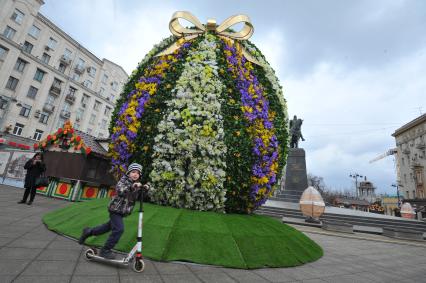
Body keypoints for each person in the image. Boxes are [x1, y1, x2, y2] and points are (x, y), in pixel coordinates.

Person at [78, 162, 146, 259]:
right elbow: (121, 191)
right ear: (128, 173)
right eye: (133, 172)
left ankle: (88, 231)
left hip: (122, 212)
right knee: (119, 229)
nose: (135, 174)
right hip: (115, 209)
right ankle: (105, 250)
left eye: (138, 173)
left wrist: (145, 188)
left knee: (107, 227)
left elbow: (138, 195)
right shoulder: (123, 181)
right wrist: (132, 187)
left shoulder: (136, 184)